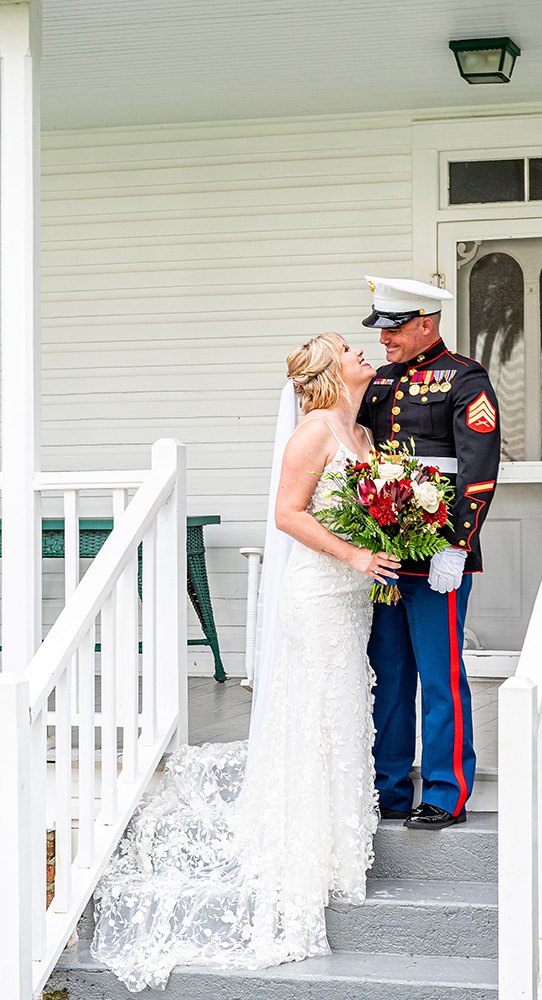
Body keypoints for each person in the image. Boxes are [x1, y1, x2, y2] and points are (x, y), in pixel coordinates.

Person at [90, 333, 400, 992]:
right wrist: (352, 557)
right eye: (348, 349)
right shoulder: (313, 433)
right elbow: (288, 514)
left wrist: (385, 538)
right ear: (326, 373)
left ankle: (338, 852)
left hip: (354, 600)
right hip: (318, 594)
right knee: (317, 715)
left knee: (344, 715)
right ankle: (304, 853)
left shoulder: (366, 436)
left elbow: (364, 511)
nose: (360, 354)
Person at [357, 276, 501, 830]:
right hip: (383, 552)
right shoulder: (379, 380)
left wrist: (457, 546)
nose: (384, 340)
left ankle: (446, 790)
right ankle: (388, 786)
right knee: (389, 671)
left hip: (439, 552)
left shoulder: (465, 378)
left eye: (393, 329)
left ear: (425, 323)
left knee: (439, 673)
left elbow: (479, 469)